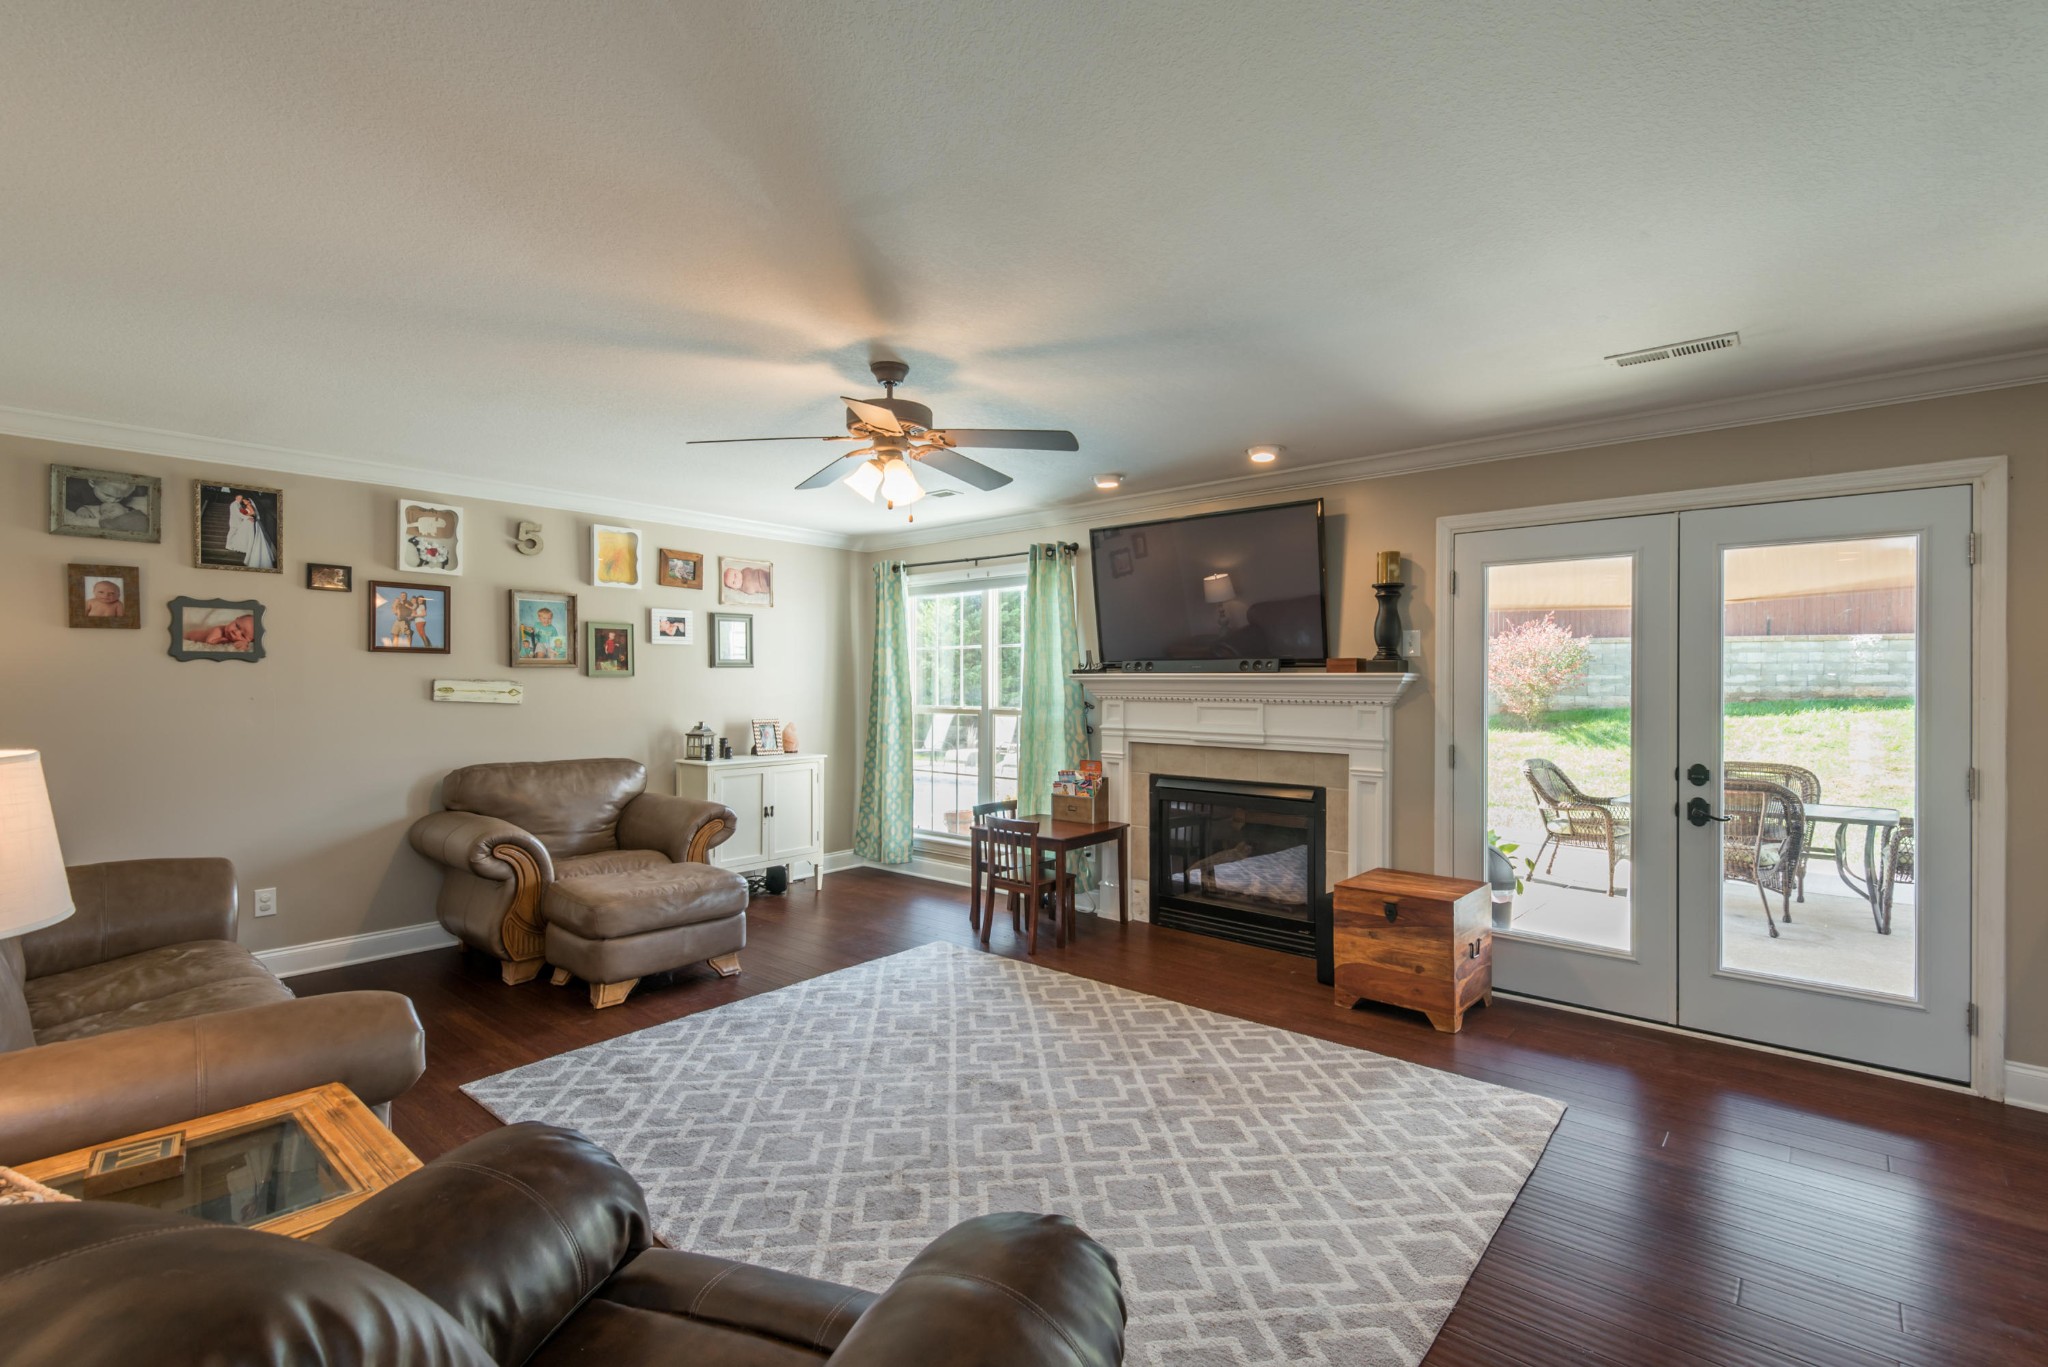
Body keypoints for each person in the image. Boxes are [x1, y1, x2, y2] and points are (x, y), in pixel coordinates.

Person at [223, 491, 275, 570]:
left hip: (245, 522)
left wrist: (246, 515)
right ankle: (229, 545)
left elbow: (253, 513)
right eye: (241, 499)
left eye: (243, 499)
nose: (242, 500)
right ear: (236, 498)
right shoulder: (234, 504)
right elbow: (238, 514)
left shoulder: (247, 505)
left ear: (248, 501)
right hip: (236, 522)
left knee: (245, 535)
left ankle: (243, 547)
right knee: (235, 533)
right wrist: (246, 516)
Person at [184, 612, 255, 649]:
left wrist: (244, 644)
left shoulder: (247, 641)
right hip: (189, 636)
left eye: (243, 635)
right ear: (236, 619)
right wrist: (223, 640)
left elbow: (243, 646)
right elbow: (209, 642)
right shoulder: (218, 630)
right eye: (237, 626)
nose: (235, 632)